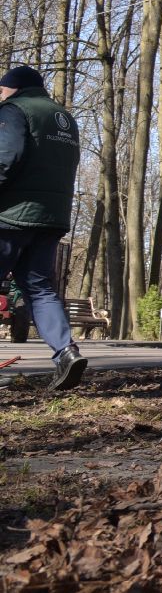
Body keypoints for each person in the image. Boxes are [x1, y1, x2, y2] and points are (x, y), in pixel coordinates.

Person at [0, 66, 85, 389]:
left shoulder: (15, 111)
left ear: (14, 88)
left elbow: (6, 157)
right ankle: (66, 351)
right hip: (52, 217)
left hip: (11, 215)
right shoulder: (65, 119)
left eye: (2, 89)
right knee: (39, 288)